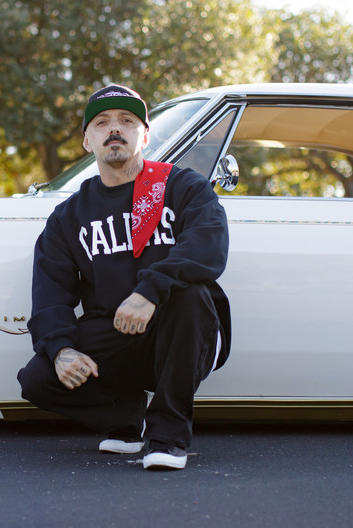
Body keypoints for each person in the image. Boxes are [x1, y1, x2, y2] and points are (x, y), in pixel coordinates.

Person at [18, 83, 231, 470]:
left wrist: (150, 290)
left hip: (186, 329)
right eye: (101, 122)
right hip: (118, 333)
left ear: (145, 136)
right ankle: (126, 417)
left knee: (190, 295)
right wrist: (62, 350)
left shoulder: (183, 186)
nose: (114, 128)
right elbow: (50, 295)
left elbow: (207, 247)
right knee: (38, 377)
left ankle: (167, 437)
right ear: (87, 141)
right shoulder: (68, 217)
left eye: (127, 120)